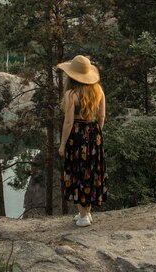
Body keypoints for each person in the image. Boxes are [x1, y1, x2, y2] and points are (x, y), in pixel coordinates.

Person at [57, 55, 107, 227]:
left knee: (78, 172)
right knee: (91, 172)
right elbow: (102, 117)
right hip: (94, 134)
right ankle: (85, 213)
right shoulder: (99, 91)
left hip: (77, 136)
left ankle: (84, 216)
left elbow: (69, 122)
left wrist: (63, 144)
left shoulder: (71, 94)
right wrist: (96, 133)